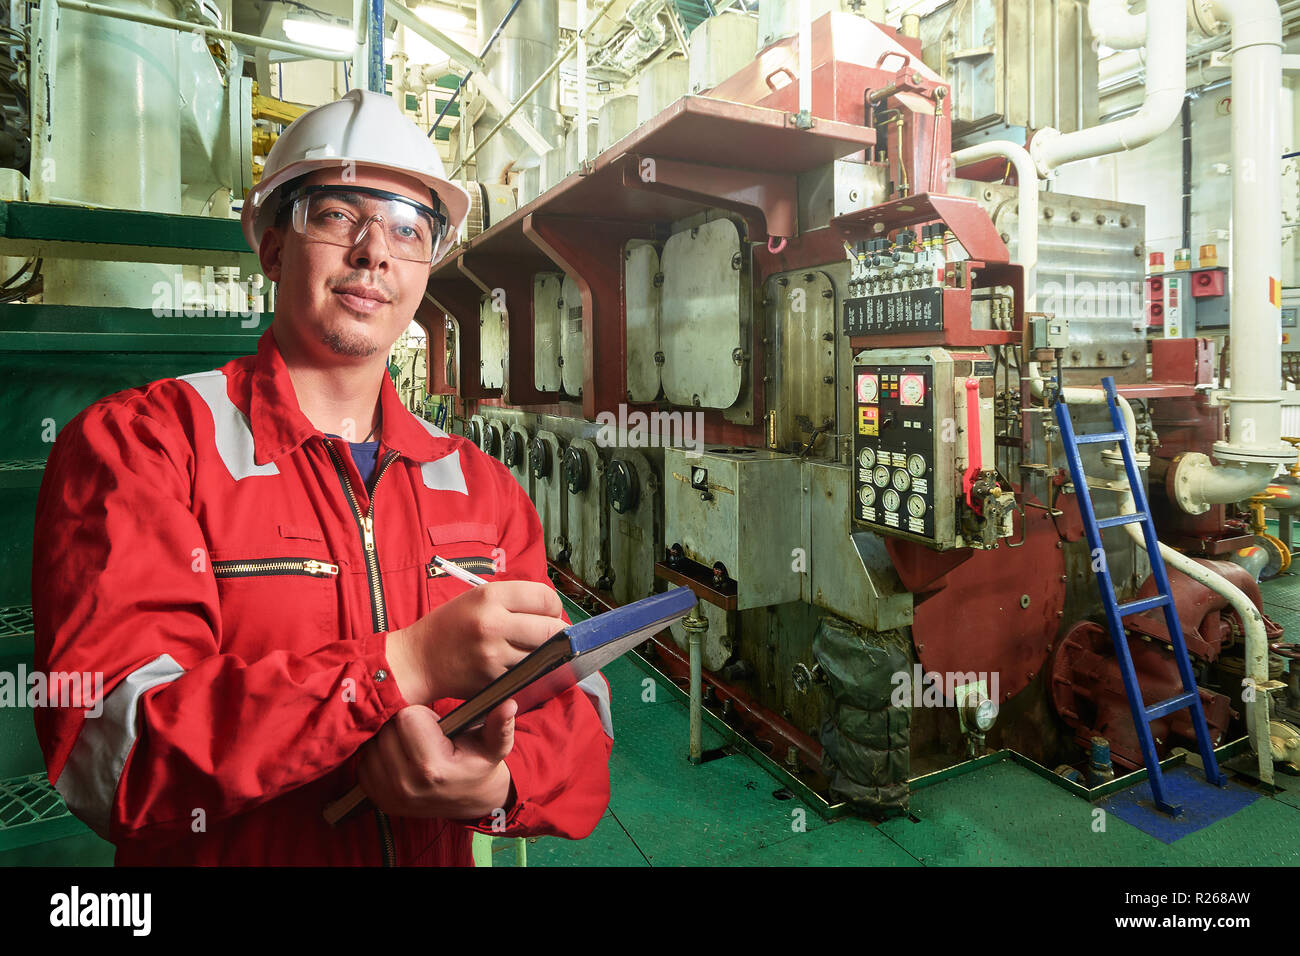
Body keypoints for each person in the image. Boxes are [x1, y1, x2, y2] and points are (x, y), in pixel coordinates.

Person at [30, 88, 612, 866]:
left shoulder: (482, 488)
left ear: (425, 269)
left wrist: (500, 785)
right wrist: (398, 668)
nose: (375, 250)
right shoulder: (144, 447)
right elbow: (113, 751)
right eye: (339, 215)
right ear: (273, 246)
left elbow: (577, 708)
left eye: (409, 229)